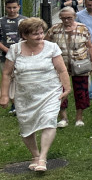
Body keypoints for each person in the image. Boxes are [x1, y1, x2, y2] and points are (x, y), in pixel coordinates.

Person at [0, 17, 70, 171]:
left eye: (41, 33)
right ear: (24, 35)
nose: (40, 37)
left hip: (50, 92)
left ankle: (43, 159)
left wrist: (67, 88)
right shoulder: (15, 50)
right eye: (35, 34)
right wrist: (4, 95)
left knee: (49, 120)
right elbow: (6, 74)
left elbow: (62, 69)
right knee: (26, 126)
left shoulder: (51, 47)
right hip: (24, 96)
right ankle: (35, 156)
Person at [47, 7, 92, 127]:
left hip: (80, 64)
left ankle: (79, 118)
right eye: (63, 18)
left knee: (81, 90)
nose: (66, 21)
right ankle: (63, 117)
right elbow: (45, 43)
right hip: (60, 65)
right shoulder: (54, 29)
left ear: (74, 17)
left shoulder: (83, 28)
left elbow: (90, 47)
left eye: (69, 18)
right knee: (60, 90)